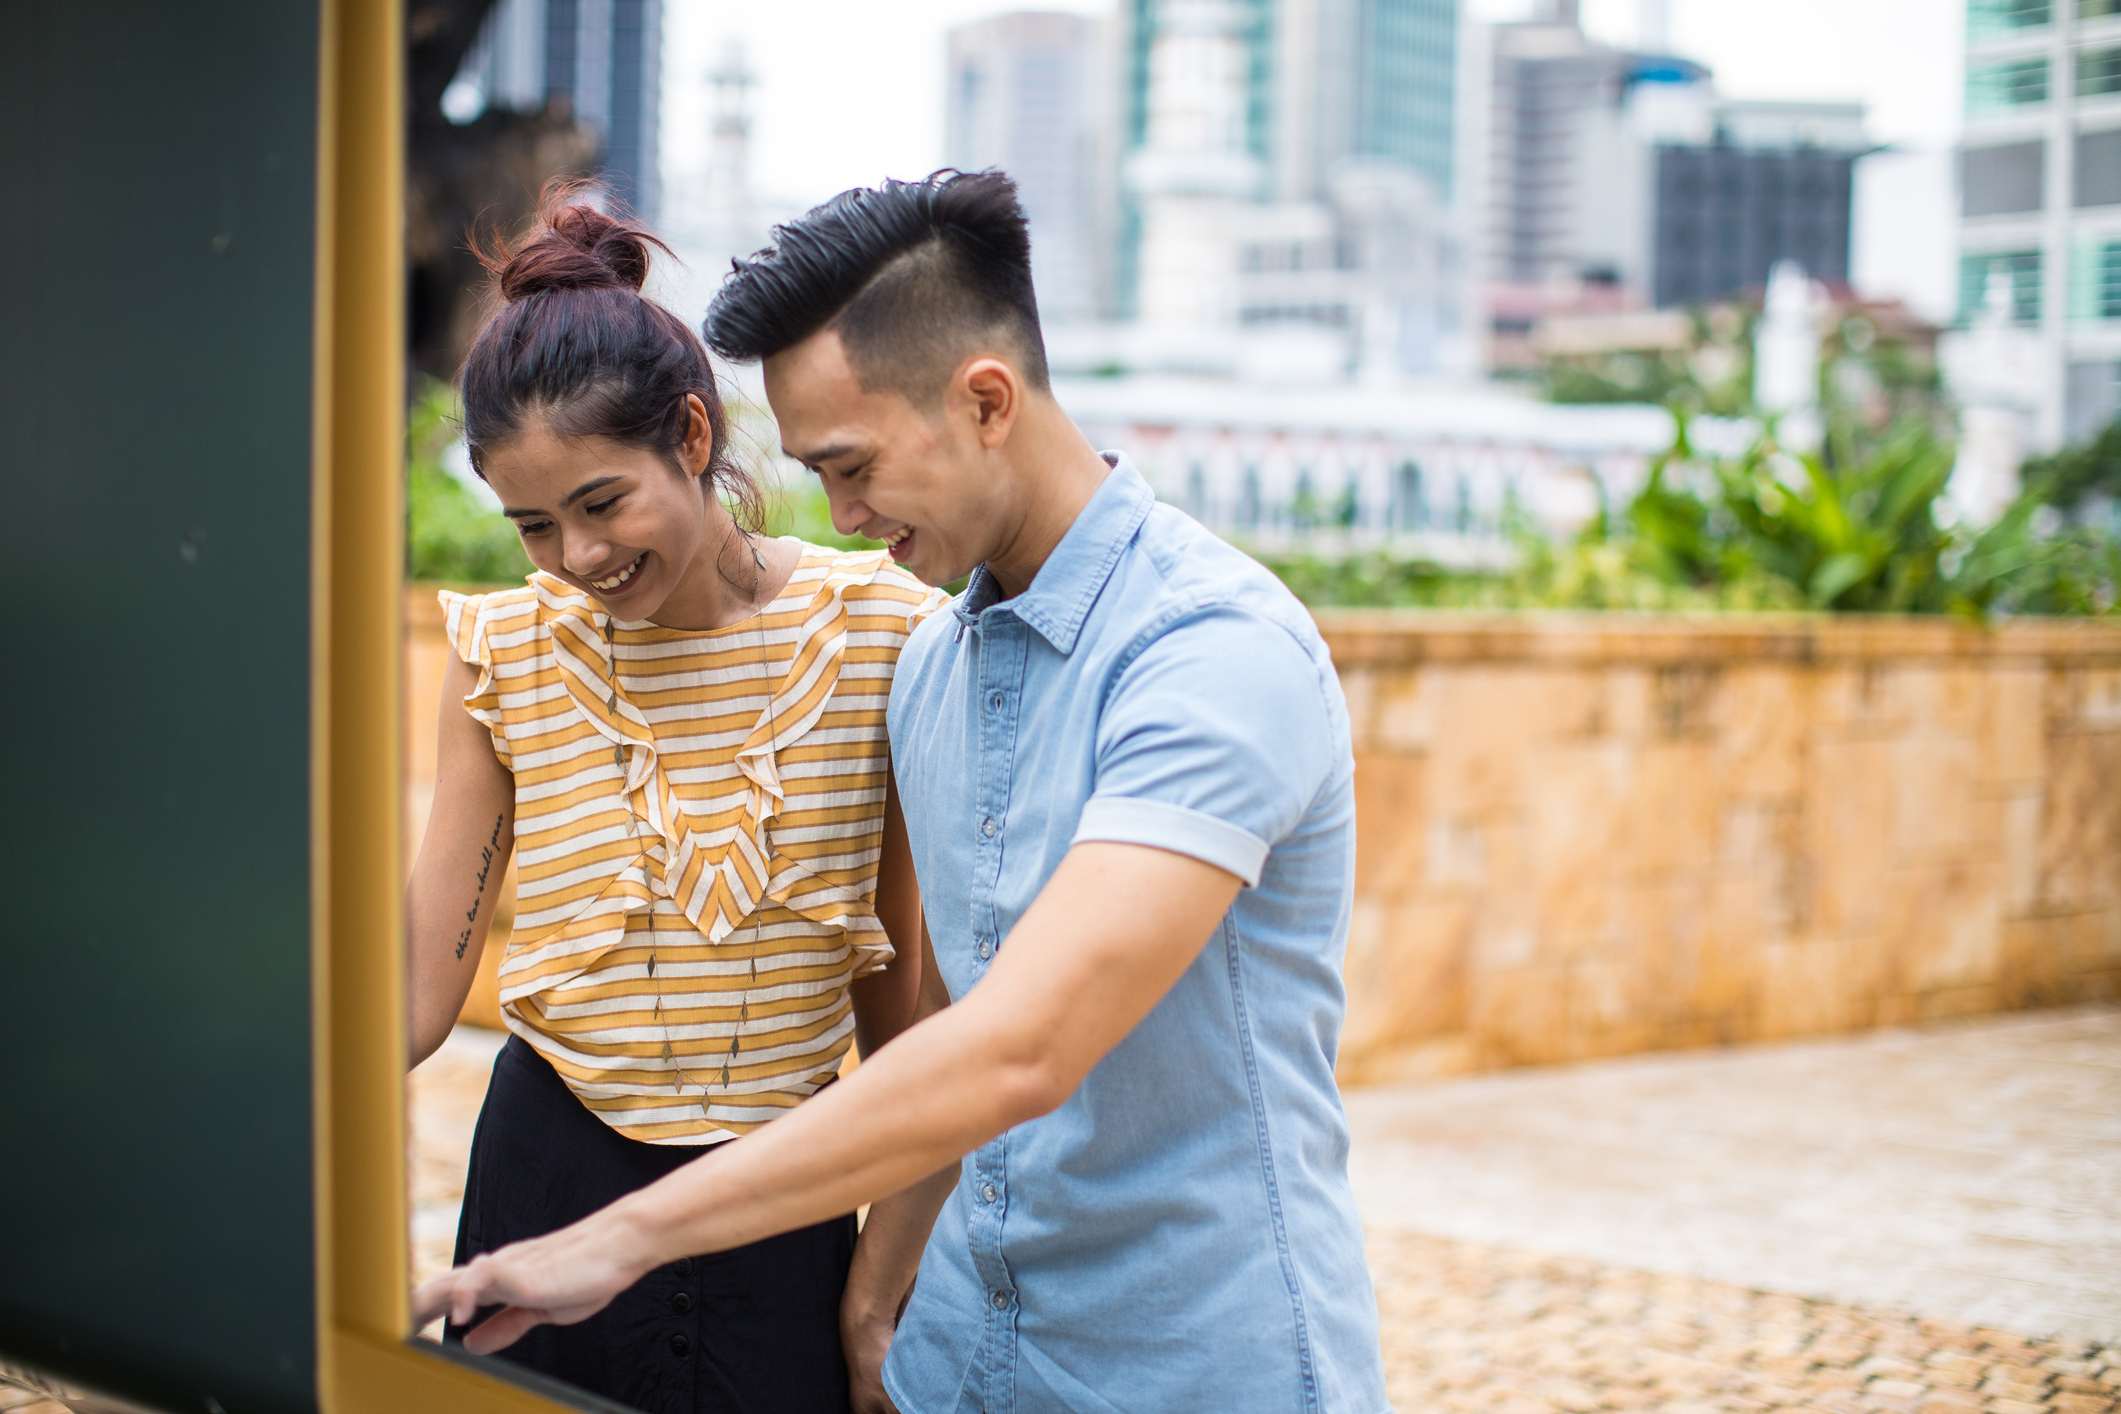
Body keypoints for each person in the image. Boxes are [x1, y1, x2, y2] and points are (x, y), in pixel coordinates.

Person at [416, 170, 1390, 1414]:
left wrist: (624, 1237)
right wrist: (880, 1298)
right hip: (956, 1367)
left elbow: (1016, 1044)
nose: (835, 512)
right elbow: (939, 1004)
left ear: (985, 400)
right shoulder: (932, 665)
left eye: (852, 464)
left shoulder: (1211, 652)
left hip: (1179, 1368)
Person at [404, 190, 949, 1414]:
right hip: (549, 1182)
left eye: (601, 503)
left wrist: (886, 1276)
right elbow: (416, 992)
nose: (578, 558)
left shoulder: (883, 637)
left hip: (787, 1193)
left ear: (693, 436)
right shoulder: (505, 650)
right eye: (534, 525)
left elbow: (898, 998)